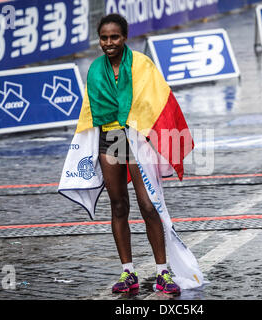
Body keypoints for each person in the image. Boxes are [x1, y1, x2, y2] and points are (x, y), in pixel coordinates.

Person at [91, 14, 181, 295]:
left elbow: (158, 99)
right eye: (104, 38)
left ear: (125, 37)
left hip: (137, 138)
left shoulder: (142, 64)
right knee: (118, 206)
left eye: (114, 37)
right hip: (111, 138)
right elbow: (89, 111)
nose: (109, 43)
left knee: (148, 205)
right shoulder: (95, 69)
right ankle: (128, 272)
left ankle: (163, 273)